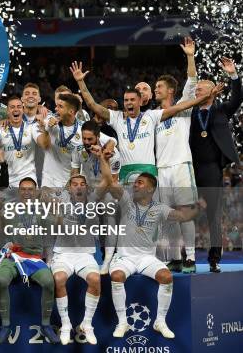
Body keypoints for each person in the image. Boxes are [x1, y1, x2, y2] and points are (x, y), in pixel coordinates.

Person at [72, 61, 217, 185]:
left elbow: (181, 106)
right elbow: (92, 104)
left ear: (140, 101)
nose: (129, 103)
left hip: (149, 171)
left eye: (132, 100)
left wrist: (204, 97)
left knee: (153, 214)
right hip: (126, 172)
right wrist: (80, 81)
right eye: (126, 100)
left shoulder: (151, 116)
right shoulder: (117, 118)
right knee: (129, 215)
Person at [106, 172, 200, 339]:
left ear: (150, 189)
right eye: (135, 183)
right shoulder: (126, 201)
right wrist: (103, 159)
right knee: (117, 276)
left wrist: (200, 206)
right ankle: (122, 322)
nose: (135, 185)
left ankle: (160, 322)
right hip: (124, 257)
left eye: (140, 183)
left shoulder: (160, 208)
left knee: (166, 277)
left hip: (146, 258)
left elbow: (184, 217)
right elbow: (113, 186)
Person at [52, 155, 111, 345]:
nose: (78, 186)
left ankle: (87, 324)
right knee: (59, 279)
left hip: (85, 254)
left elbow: (108, 180)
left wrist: (102, 158)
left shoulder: (93, 200)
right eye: (74, 183)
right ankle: (67, 324)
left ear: (86, 187)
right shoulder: (60, 202)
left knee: (95, 280)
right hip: (64, 254)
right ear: (69, 188)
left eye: (81, 184)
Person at [190, 56, 241, 273]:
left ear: (212, 92)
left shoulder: (220, 110)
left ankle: (214, 259)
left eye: (200, 90)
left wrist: (233, 75)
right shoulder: (188, 111)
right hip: (189, 167)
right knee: (184, 214)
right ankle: (186, 258)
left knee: (213, 214)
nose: (196, 93)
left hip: (211, 168)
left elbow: (237, 98)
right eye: (196, 90)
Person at [0, 177, 59, 345]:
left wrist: (56, 207)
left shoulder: (42, 210)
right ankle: (6, 325)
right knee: (0, 280)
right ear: (18, 191)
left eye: (31, 189)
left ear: (36, 192)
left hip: (34, 258)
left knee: (49, 282)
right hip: (13, 256)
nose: (27, 192)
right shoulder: (10, 209)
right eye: (23, 189)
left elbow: (58, 225)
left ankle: (45, 324)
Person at [154, 37, 200, 273]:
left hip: (181, 165)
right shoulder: (153, 116)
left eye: (159, 86)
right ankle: (174, 258)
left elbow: (192, 82)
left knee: (185, 213)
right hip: (162, 169)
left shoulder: (183, 106)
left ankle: (190, 258)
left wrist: (190, 56)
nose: (155, 89)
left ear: (170, 90)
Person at [70, 120, 120, 273]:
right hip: (89, 190)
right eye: (84, 139)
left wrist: (102, 159)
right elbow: (74, 174)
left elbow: (112, 181)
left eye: (90, 139)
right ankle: (81, 256)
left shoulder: (113, 153)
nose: (86, 142)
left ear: (98, 137)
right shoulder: (78, 150)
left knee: (109, 216)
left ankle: (108, 259)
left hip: (108, 191)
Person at [0, 96, 41, 187]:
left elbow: (44, 143)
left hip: (29, 179)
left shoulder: (31, 128)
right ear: (7, 111)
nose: (16, 109)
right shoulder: (0, 129)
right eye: (12, 107)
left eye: (19, 106)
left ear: (23, 109)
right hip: (8, 180)